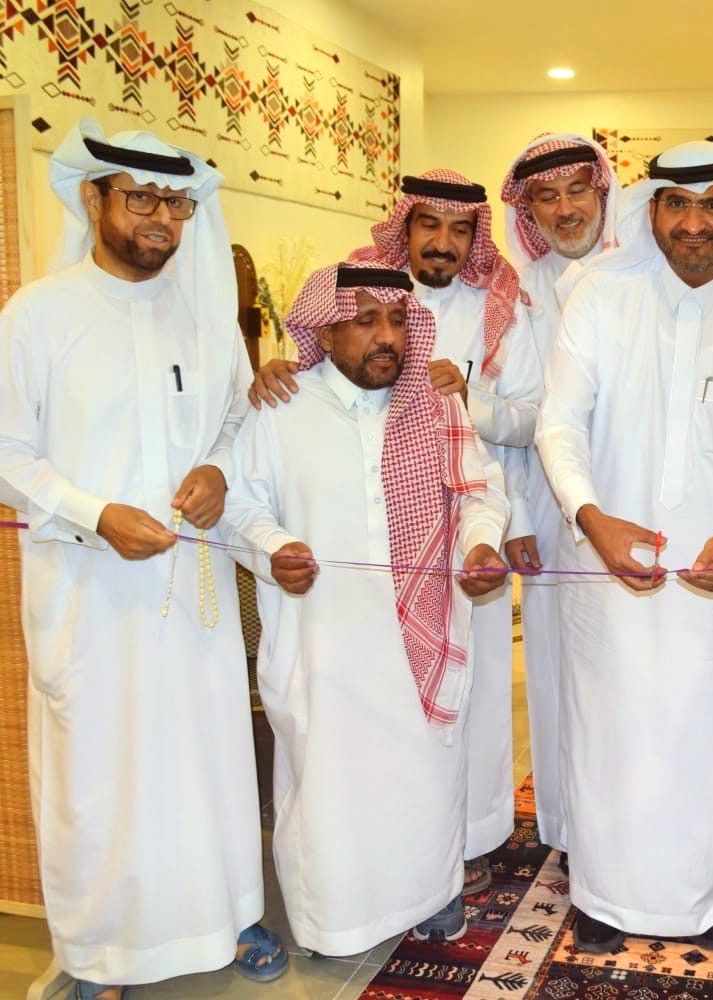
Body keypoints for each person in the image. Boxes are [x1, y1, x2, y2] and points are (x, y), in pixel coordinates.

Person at [0, 119, 285, 999]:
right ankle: (99, 954)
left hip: (192, 588)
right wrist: (94, 514)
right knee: (99, 773)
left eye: (177, 204)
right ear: (94, 198)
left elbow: (236, 417)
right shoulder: (38, 315)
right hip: (89, 593)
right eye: (141, 198)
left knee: (209, 756)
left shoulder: (205, 318)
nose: (161, 219)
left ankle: (229, 914)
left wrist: (219, 468)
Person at [536, 140, 713, 953]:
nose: (695, 224)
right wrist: (591, 517)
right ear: (651, 211)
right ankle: (604, 895)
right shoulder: (599, 296)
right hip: (608, 572)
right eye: (678, 206)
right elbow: (560, 423)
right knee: (611, 734)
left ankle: (709, 899)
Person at [251, 170, 542, 893]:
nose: (443, 242)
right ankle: (361, 878)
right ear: (404, 227)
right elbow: (289, 426)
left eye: (460, 229)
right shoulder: (355, 291)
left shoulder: (501, 305)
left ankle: (463, 846)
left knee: (461, 712)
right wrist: (283, 369)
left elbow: (523, 427)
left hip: (453, 555)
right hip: (344, 596)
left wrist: (467, 400)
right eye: (428, 225)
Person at [221, 256, 510, 954]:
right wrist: (275, 547)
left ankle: (433, 894)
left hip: (422, 635)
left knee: (425, 775)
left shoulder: (435, 403)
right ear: (325, 330)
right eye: (366, 322)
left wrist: (479, 544)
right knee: (331, 785)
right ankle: (337, 918)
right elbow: (240, 506)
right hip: (323, 641)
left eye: (398, 321)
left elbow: (480, 490)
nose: (387, 337)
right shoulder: (281, 407)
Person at [496, 133, 620, 859]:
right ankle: (569, 829)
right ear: (530, 209)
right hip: (548, 508)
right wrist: (516, 515)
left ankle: (627, 820)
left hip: (632, 503)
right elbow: (518, 416)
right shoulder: (518, 292)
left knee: (624, 670)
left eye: (578, 191)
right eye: (547, 197)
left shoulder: (641, 273)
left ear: (602, 193)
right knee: (554, 669)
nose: (566, 209)